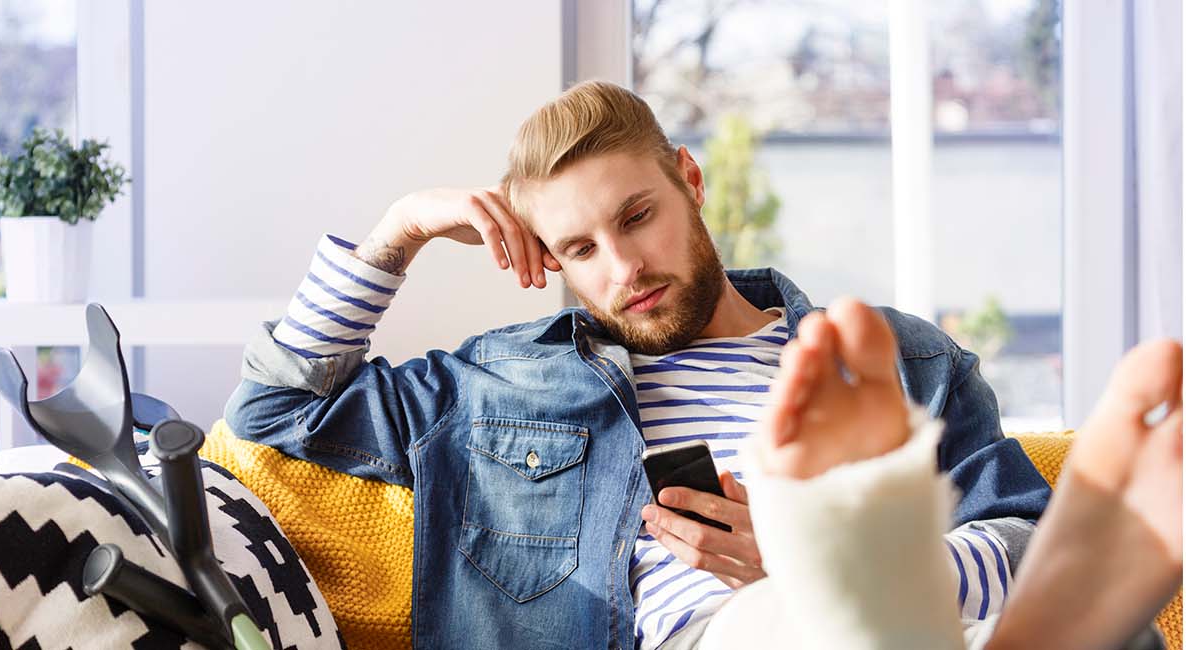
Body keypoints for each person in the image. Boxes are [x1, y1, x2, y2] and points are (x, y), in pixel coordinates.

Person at [224, 81, 1051, 649]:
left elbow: (1029, 544)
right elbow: (276, 408)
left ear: (689, 179)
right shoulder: (500, 385)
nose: (624, 269)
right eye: (581, 249)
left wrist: (828, 564)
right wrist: (399, 231)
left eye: (636, 217)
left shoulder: (899, 358)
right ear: (552, 261)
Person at [699, 298, 1181, 650]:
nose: (648, 268)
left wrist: (842, 569)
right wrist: (827, 575)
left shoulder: (912, 354)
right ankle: (882, 603)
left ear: (694, 191)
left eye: (653, 213)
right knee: (762, 624)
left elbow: (1015, 531)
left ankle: (877, 604)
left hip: (946, 625)